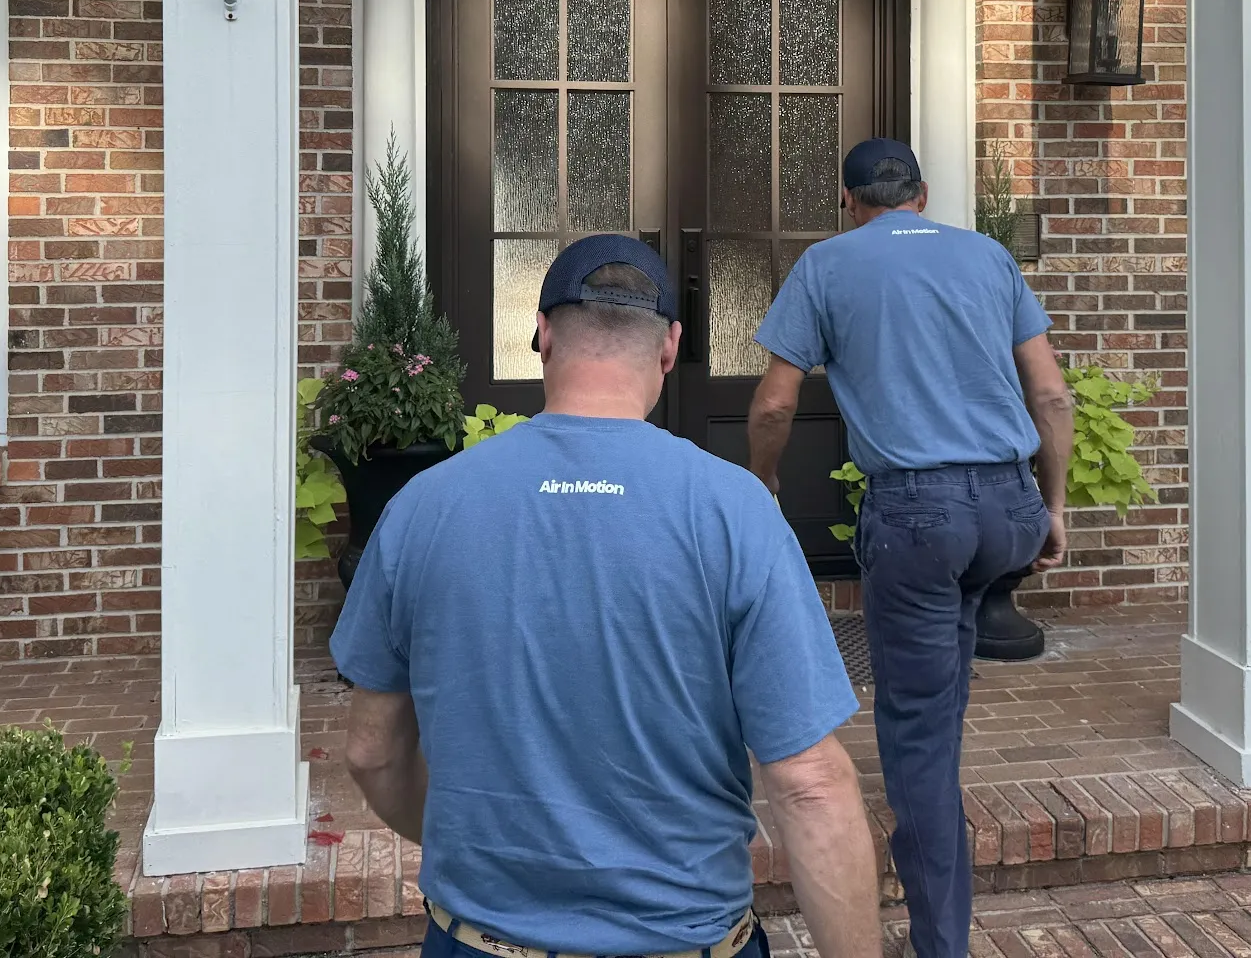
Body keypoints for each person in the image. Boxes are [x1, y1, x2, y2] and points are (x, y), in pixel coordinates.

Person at [331, 234, 882, 958]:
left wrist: (474, 853)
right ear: (670, 347)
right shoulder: (733, 509)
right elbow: (809, 784)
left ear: (542, 334)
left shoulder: (424, 506)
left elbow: (372, 752)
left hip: (481, 939)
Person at [746, 140, 1074, 958]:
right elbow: (1051, 394)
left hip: (920, 518)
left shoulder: (827, 265)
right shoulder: (988, 257)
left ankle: (940, 945)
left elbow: (776, 405)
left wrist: (764, 483)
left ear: (848, 201)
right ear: (921, 195)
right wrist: (1052, 507)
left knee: (919, 737)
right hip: (1008, 507)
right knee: (943, 692)